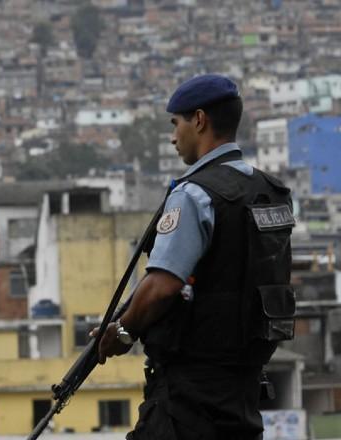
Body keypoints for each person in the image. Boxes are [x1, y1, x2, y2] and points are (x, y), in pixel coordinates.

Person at [95, 74, 295, 440]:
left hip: (188, 401)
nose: (173, 137)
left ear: (199, 120)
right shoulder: (271, 193)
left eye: (176, 124)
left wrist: (123, 332)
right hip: (244, 396)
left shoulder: (195, 195)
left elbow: (162, 286)